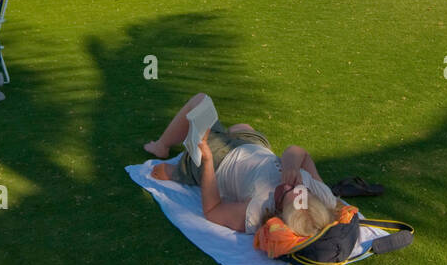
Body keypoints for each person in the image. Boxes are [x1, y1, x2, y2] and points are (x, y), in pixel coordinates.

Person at [145, 94, 339, 238]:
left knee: (199, 102)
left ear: (278, 212)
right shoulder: (323, 198)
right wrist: (292, 168)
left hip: (221, 159)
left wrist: (207, 161)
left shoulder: (258, 211)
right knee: (242, 127)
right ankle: (219, 138)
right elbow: (297, 151)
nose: (291, 186)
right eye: (300, 190)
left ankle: (164, 150)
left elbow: (212, 211)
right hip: (253, 147)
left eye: (286, 194)